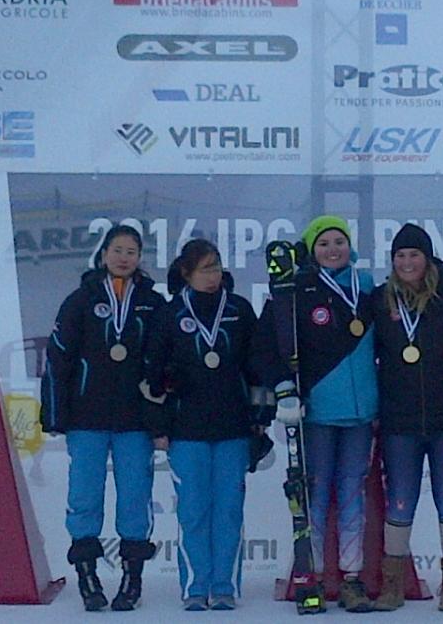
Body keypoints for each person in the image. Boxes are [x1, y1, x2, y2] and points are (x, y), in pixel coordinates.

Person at [144, 238, 292, 612]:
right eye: (205, 269)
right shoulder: (170, 313)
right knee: (193, 511)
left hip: (233, 429)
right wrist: (159, 427)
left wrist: (260, 419)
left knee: (228, 510)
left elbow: (257, 366)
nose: (213, 276)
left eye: (217, 267)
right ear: (186, 272)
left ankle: (224, 585)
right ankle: (195, 586)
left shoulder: (240, 310)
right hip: (185, 430)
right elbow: (153, 374)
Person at [40, 224, 164, 612]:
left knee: (134, 497)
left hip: (135, 420)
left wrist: (162, 420)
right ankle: (87, 575)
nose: (124, 257)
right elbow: (58, 358)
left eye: (132, 251)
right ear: (104, 253)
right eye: (118, 250)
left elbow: (163, 365)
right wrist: (56, 415)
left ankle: (132, 577)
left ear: (140, 258)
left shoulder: (152, 303)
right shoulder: (80, 300)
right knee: (84, 496)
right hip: (87, 418)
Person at [260, 216, 378, 613]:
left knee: (352, 494)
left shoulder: (369, 286)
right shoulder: (296, 289)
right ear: (311, 249)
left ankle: (351, 578)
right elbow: (271, 345)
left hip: (361, 412)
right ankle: (310, 575)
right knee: (314, 495)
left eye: (339, 241)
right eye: (324, 242)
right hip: (317, 411)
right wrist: (284, 389)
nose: (333, 249)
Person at [370, 223, 443, 612]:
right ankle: (392, 585)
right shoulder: (381, 302)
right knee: (399, 501)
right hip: (400, 422)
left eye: (414, 254)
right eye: (400, 256)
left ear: (427, 258)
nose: (407, 262)